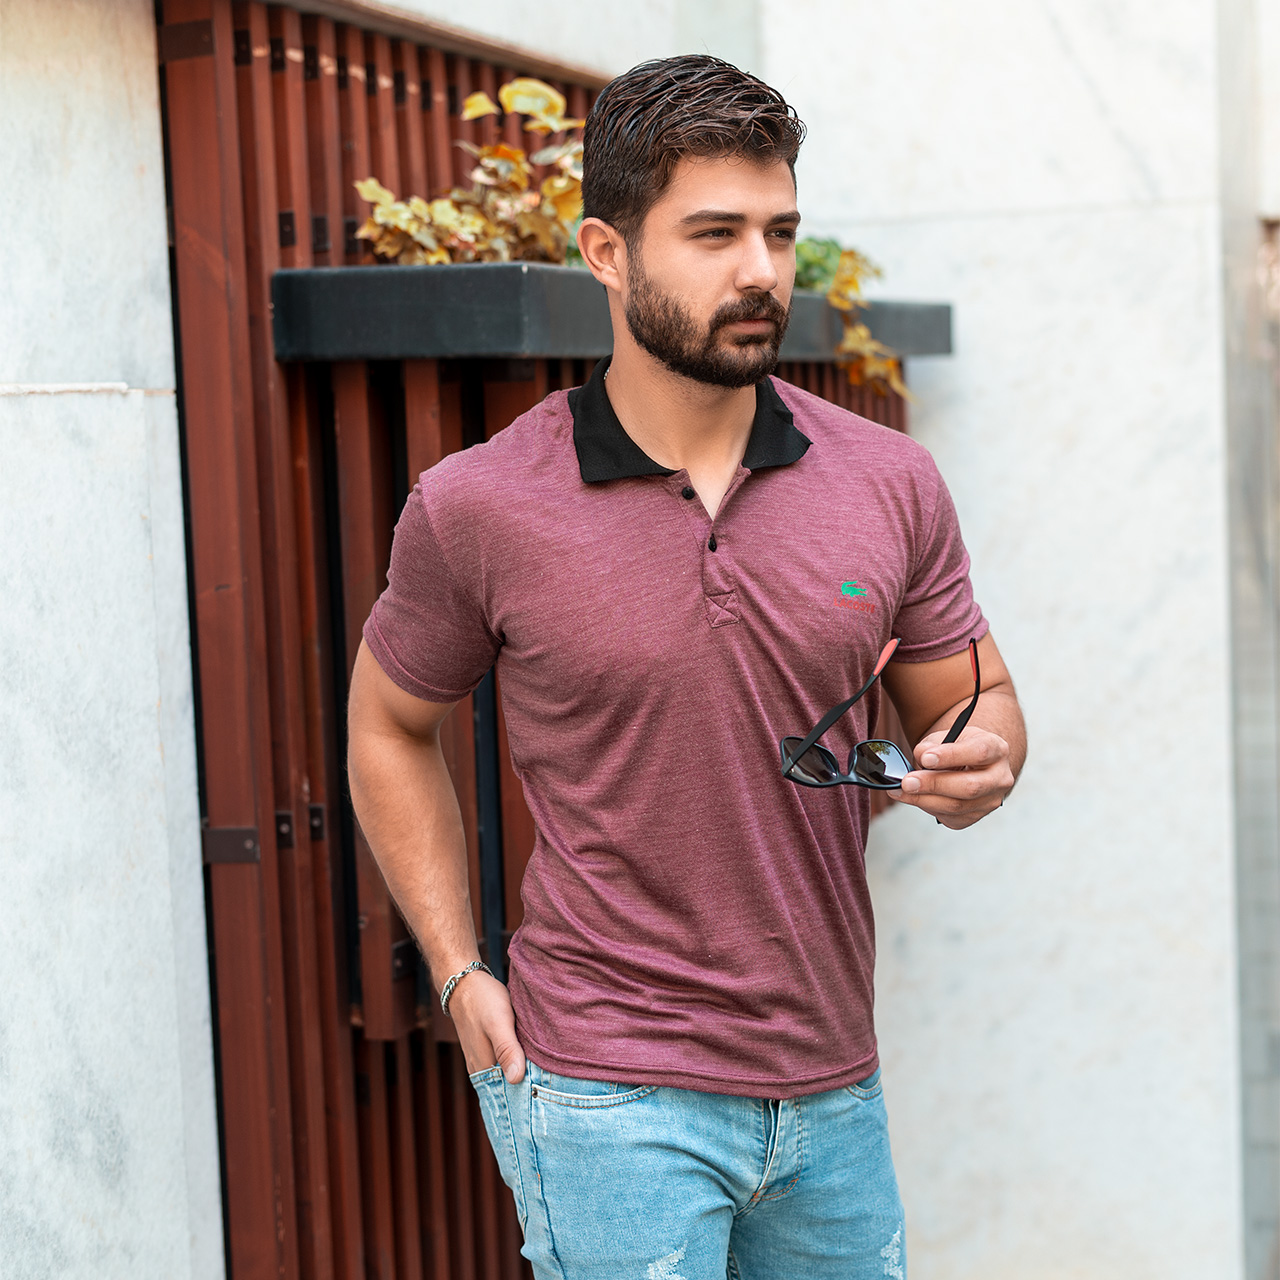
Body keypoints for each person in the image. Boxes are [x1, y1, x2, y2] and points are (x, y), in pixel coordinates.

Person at [347, 53, 1026, 1280]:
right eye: (714, 233)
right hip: (604, 1092)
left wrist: (983, 760)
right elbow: (389, 724)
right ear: (605, 253)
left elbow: (974, 699)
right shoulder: (480, 505)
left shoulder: (888, 480)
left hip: (832, 1086)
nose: (760, 269)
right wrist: (455, 969)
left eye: (779, 231)